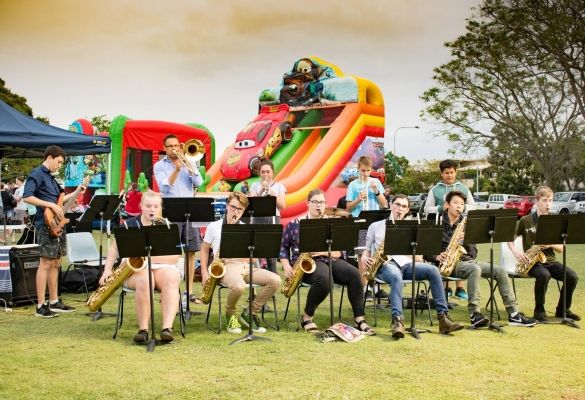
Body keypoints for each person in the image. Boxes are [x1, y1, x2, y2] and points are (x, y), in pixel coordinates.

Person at [425, 191, 536, 328]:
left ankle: (514, 315)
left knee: (500, 271)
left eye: (462, 204)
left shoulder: (465, 224)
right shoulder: (436, 222)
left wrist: (465, 240)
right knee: (474, 269)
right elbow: (425, 250)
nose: (459, 206)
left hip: (468, 261)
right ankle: (474, 314)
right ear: (447, 205)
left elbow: (473, 252)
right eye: (455, 203)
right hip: (447, 264)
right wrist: (436, 256)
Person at [361, 194, 463, 337]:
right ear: (391, 205)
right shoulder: (376, 226)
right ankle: (398, 321)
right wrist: (366, 259)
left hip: (406, 265)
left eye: (403, 206)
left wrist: (410, 252)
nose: (399, 209)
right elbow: (366, 251)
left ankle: (443, 319)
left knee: (433, 270)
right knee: (396, 276)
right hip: (384, 265)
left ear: (408, 210)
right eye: (397, 205)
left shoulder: (412, 228)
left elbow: (419, 257)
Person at [280, 189, 375, 335]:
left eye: (322, 202)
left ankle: (359, 319)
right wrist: (286, 265)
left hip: (329, 258)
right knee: (325, 280)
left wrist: (324, 252)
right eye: (315, 202)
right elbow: (283, 248)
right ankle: (307, 316)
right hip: (306, 263)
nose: (319, 206)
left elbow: (340, 252)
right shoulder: (295, 224)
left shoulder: (332, 224)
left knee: (354, 274)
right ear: (308, 204)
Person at [100, 191, 181, 343]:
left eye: (156, 206)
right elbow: (114, 249)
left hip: (161, 267)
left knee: (171, 278)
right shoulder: (129, 224)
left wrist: (146, 255)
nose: (152, 209)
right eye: (148, 206)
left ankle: (167, 329)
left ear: (161, 208)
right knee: (146, 278)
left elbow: (175, 257)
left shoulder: (167, 226)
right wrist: (107, 270)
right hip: (135, 270)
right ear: (141, 207)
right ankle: (143, 330)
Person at [200, 191, 281, 334]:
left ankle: (251, 312)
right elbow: (205, 249)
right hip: (224, 267)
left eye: (239, 209)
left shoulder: (246, 228)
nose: (235, 211)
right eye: (233, 207)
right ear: (226, 206)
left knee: (275, 280)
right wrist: (204, 271)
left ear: (243, 211)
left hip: (245, 266)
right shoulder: (214, 226)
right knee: (239, 286)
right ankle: (230, 313)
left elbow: (254, 258)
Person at [23, 145, 86, 317]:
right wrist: (49, 204)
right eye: (58, 162)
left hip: (57, 224)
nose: (59, 166)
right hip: (45, 224)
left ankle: (54, 301)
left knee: (56, 263)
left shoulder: (51, 178)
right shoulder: (37, 173)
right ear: (49, 157)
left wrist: (77, 192)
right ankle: (40, 306)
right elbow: (27, 196)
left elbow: (59, 200)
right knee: (45, 263)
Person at [507, 186, 580, 322]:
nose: (548, 204)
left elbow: (561, 249)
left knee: (572, 276)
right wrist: (515, 251)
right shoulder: (525, 220)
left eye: (550, 200)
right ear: (537, 201)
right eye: (545, 200)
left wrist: (550, 244)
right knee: (544, 275)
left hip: (551, 261)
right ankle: (539, 311)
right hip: (533, 263)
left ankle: (562, 310)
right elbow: (509, 238)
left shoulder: (554, 221)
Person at [153, 134, 203, 304]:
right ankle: (169, 289)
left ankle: (188, 292)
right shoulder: (159, 166)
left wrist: (189, 166)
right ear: (165, 148)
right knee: (170, 252)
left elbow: (199, 181)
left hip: (189, 209)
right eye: (170, 146)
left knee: (191, 251)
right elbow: (164, 187)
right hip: (171, 209)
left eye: (176, 145)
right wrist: (176, 169)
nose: (174, 148)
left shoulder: (189, 161)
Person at [424, 159, 476, 301]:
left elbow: (473, 206)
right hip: (442, 224)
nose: (450, 175)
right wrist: (441, 208)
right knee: (446, 250)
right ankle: (445, 288)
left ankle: (460, 288)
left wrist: (461, 207)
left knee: (461, 252)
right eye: (446, 173)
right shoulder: (435, 190)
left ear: (455, 172)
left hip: (461, 224)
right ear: (441, 173)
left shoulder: (464, 188)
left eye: (452, 172)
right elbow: (427, 208)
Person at [345, 156, 388, 300]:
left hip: (376, 221)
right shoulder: (353, 185)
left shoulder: (375, 182)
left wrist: (376, 192)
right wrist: (358, 198)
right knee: (362, 255)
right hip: (360, 221)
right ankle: (365, 288)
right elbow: (348, 208)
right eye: (363, 171)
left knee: (378, 253)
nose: (365, 174)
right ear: (358, 169)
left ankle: (376, 286)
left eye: (368, 171)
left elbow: (384, 205)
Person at [249, 159, 286, 274]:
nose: (265, 175)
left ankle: (273, 285)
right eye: (263, 172)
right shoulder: (254, 185)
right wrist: (261, 191)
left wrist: (272, 194)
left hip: (273, 219)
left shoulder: (279, 186)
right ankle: (257, 283)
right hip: (258, 219)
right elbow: (252, 204)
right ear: (259, 173)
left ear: (272, 172)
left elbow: (283, 205)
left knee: (272, 254)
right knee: (257, 253)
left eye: (268, 172)